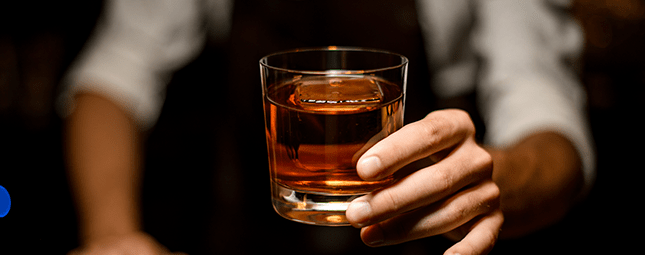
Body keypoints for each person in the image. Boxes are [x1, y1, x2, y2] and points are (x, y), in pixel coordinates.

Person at [58, 0, 595, 254]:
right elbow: (113, 76)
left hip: (425, 242)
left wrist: (488, 179)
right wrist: (112, 234)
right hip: (245, 232)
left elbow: (549, 120)